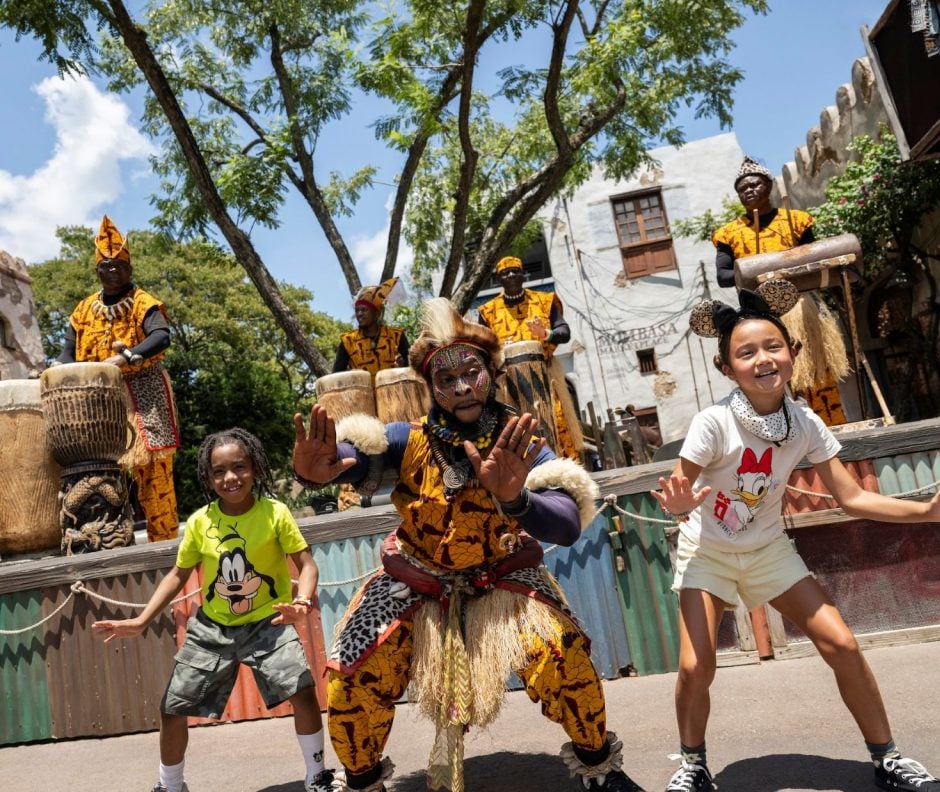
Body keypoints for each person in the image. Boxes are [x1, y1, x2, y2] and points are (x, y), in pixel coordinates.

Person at [292, 298, 643, 792]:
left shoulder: (520, 439)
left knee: (564, 657)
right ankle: (362, 779)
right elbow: (356, 459)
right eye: (446, 379)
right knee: (353, 673)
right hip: (414, 579)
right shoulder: (406, 440)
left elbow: (565, 524)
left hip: (502, 577)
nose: (460, 388)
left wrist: (516, 499)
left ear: (492, 374)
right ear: (431, 387)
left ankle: (600, 767)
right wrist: (319, 470)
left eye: (471, 374)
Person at [650, 280, 940, 792]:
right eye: (745, 353)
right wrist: (677, 508)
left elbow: (852, 497)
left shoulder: (805, 422)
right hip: (708, 552)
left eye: (772, 346)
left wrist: (931, 513)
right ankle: (693, 766)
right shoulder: (713, 423)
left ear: (793, 352)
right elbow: (681, 488)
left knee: (842, 643)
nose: (762, 359)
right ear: (726, 368)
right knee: (697, 666)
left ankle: (889, 760)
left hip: (767, 551)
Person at [93, 428, 334, 792]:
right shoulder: (200, 522)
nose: (230, 478)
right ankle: (170, 785)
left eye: (239, 467)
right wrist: (142, 620)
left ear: (255, 468)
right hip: (213, 630)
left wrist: (302, 601)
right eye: (219, 471)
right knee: (172, 706)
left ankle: (317, 776)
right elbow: (178, 575)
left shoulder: (275, 513)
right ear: (208, 477)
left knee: (302, 691)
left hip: (269, 623)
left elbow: (308, 564)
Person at [56, 215, 181, 542]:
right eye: (105, 265)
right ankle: (107, 539)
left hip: (144, 393)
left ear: (129, 268)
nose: (112, 270)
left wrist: (125, 356)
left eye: (118, 265)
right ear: (97, 269)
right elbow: (66, 353)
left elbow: (161, 337)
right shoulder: (82, 310)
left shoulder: (143, 302)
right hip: (97, 401)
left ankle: (164, 545)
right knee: (97, 474)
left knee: (155, 475)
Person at [712, 157, 850, 426]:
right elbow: (723, 276)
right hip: (758, 314)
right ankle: (783, 431)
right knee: (773, 380)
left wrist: (784, 269)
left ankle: (833, 428)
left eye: (754, 185)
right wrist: (758, 272)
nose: (748, 191)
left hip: (802, 308)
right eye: (742, 189)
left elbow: (817, 260)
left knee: (817, 373)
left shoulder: (796, 221)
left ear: (769, 186)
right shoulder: (728, 234)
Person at [477, 255, 584, 462]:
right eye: (505, 273)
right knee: (514, 428)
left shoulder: (545, 300)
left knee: (558, 421)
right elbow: (482, 346)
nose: (510, 276)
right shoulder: (487, 311)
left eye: (515, 271)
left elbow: (564, 331)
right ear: (499, 279)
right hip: (507, 384)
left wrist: (545, 334)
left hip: (545, 376)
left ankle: (569, 468)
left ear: (522, 274)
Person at [332, 277, 410, 375]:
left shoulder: (396, 336)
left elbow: (413, 366)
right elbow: (336, 376)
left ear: (376, 314)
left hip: (392, 389)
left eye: (364, 310)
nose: (359, 313)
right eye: (357, 310)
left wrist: (404, 365)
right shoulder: (348, 341)